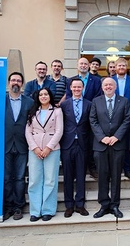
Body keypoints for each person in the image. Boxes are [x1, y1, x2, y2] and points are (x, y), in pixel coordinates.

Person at [90, 77, 130, 219]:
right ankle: (104, 204)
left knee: (116, 176)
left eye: (110, 85)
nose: (108, 87)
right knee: (102, 176)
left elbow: (127, 120)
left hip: (117, 145)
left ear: (115, 87)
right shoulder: (96, 101)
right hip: (100, 145)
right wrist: (102, 137)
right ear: (102, 87)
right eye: (105, 85)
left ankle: (114, 205)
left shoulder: (124, 101)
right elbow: (93, 120)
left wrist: (116, 136)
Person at [25, 87, 64, 222]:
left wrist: (48, 147)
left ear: (50, 96)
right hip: (35, 150)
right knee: (35, 180)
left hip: (52, 150)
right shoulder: (33, 111)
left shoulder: (57, 111)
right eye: (41, 94)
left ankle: (48, 210)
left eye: (46, 94)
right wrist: (34, 148)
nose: (43, 96)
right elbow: (28, 131)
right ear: (38, 97)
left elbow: (59, 131)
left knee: (50, 180)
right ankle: (35, 211)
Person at [3, 72, 34, 221]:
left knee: (20, 178)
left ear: (22, 84)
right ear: (9, 82)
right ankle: (8, 206)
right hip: (5, 144)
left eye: (19, 81)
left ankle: (18, 207)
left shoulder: (29, 102)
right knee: (7, 177)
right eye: (13, 80)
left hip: (22, 144)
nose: (16, 83)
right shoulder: (0, 101)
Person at [60, 78, 92, 218]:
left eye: (79, 87)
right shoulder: (64, 105)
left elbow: (91, 126)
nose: (77, 89)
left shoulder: (89, 104)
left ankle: (80, 204)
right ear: (71, 88)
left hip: (83, 144)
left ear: (83, 88)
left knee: (81, 175)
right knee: (68, 176)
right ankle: (69, 205)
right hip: (67, 144)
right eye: (75, 87)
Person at [66, 57, 102, 179]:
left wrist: (88, 109)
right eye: (81, 63)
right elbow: (69, 96)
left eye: (85, 64)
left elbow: (98, 96)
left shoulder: (97, 81)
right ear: (77, 65)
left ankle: (92, 167)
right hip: (76, 116)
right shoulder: (70, 80)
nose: (83, 66)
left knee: (90, 142)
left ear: (89, 66)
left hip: (90, 113)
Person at [112, 57, 130, 179]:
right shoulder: (110, 80)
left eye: (124, 66)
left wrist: (128, 110)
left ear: (126, 67)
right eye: (119, 66)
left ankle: (127, 169)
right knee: (115, 143)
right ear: (115, 68)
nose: (121, 68)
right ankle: (115, 169)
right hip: (113, 116)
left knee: (128, 142)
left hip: (129, 115)